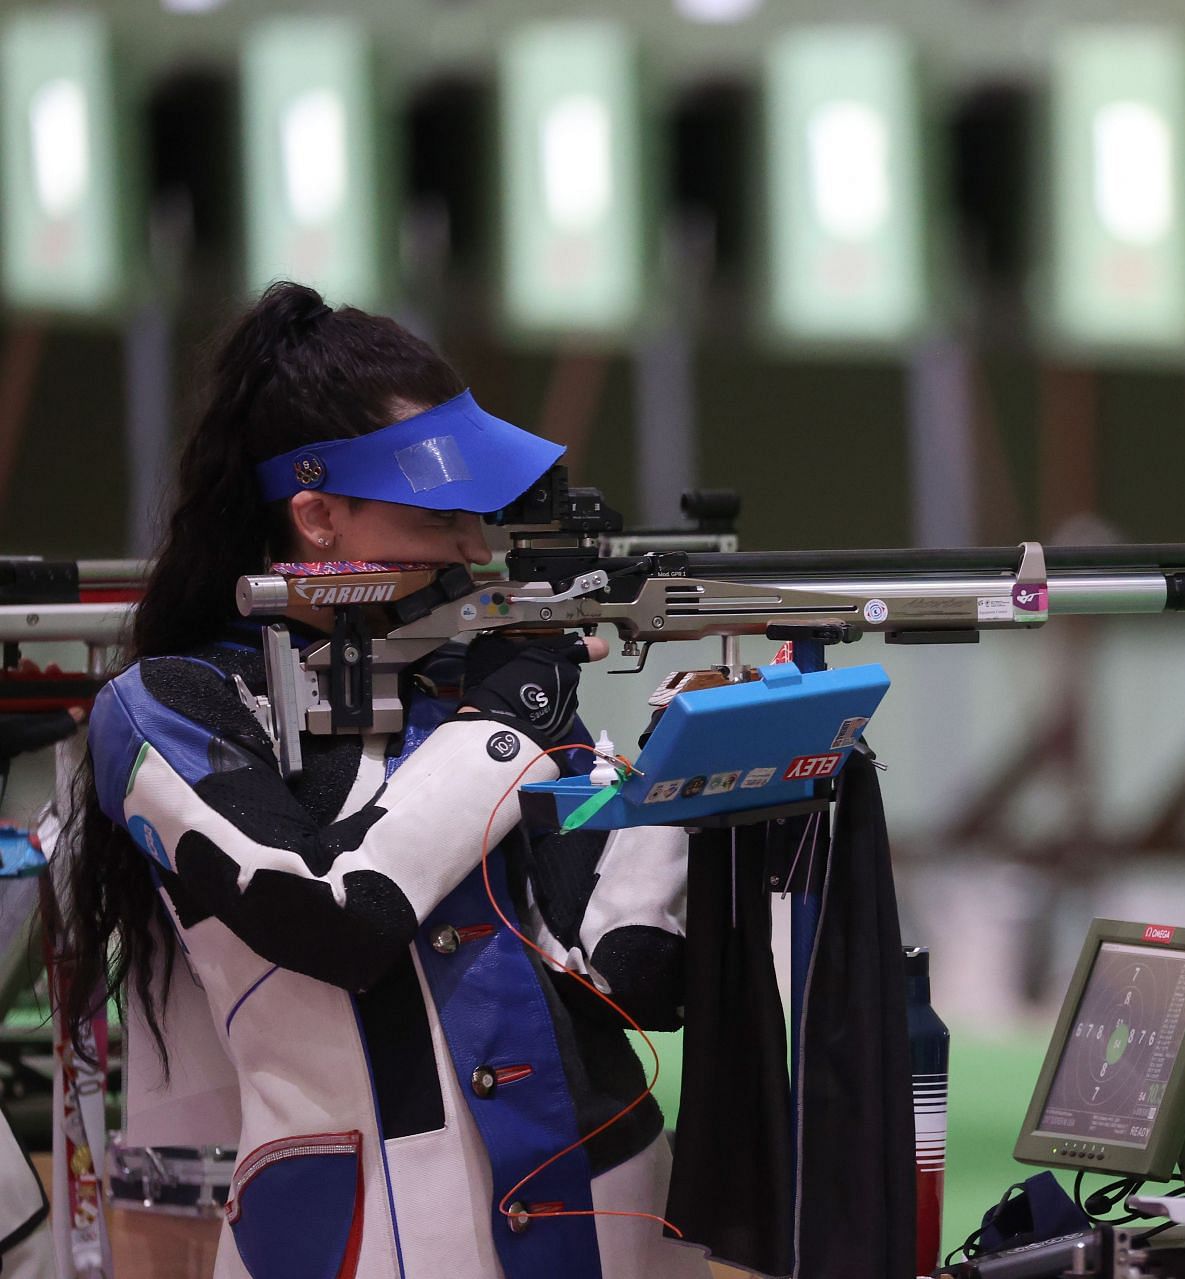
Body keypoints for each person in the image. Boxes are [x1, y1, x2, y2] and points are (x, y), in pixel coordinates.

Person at [58, 283, 707, 1279]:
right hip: (362, 1242)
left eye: (477, 520)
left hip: (606, 1220)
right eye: (440, 518)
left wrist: (681, 775)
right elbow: (331, 916)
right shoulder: (167, 706)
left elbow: (631, 973)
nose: (472, 551)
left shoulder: (479, 682)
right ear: (318, 517)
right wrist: (502, 731)